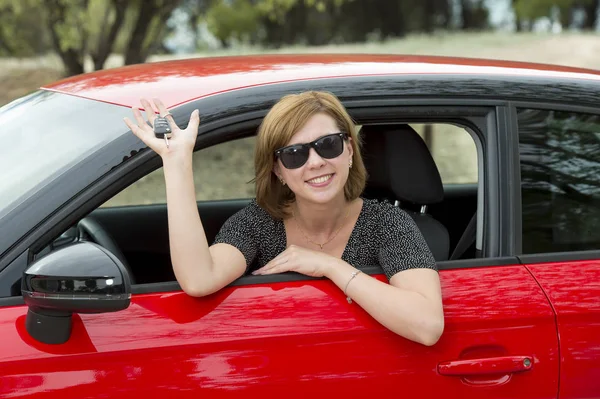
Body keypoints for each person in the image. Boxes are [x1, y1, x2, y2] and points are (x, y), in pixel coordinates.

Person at [123, 91, 444, 346]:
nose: (315, 162)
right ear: (278, 170)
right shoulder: (258, 223)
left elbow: (427, 326)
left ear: (349, 150)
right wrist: (177, 162)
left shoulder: (387, 224)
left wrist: (330, 266)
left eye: (328, 145)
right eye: (295, 154)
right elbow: (198, 279)